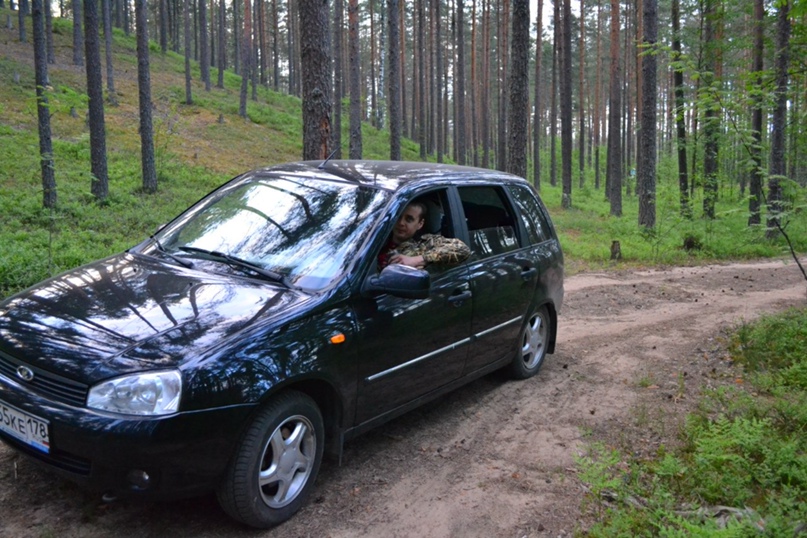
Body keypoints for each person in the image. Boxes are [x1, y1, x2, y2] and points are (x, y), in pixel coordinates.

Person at [378, 201, 470, 270]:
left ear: (420, 224)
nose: (401, 223)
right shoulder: (376, 236)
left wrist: (417, 260)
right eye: (398, 217)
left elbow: (462, 249)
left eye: (409, 219)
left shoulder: (425, 243)